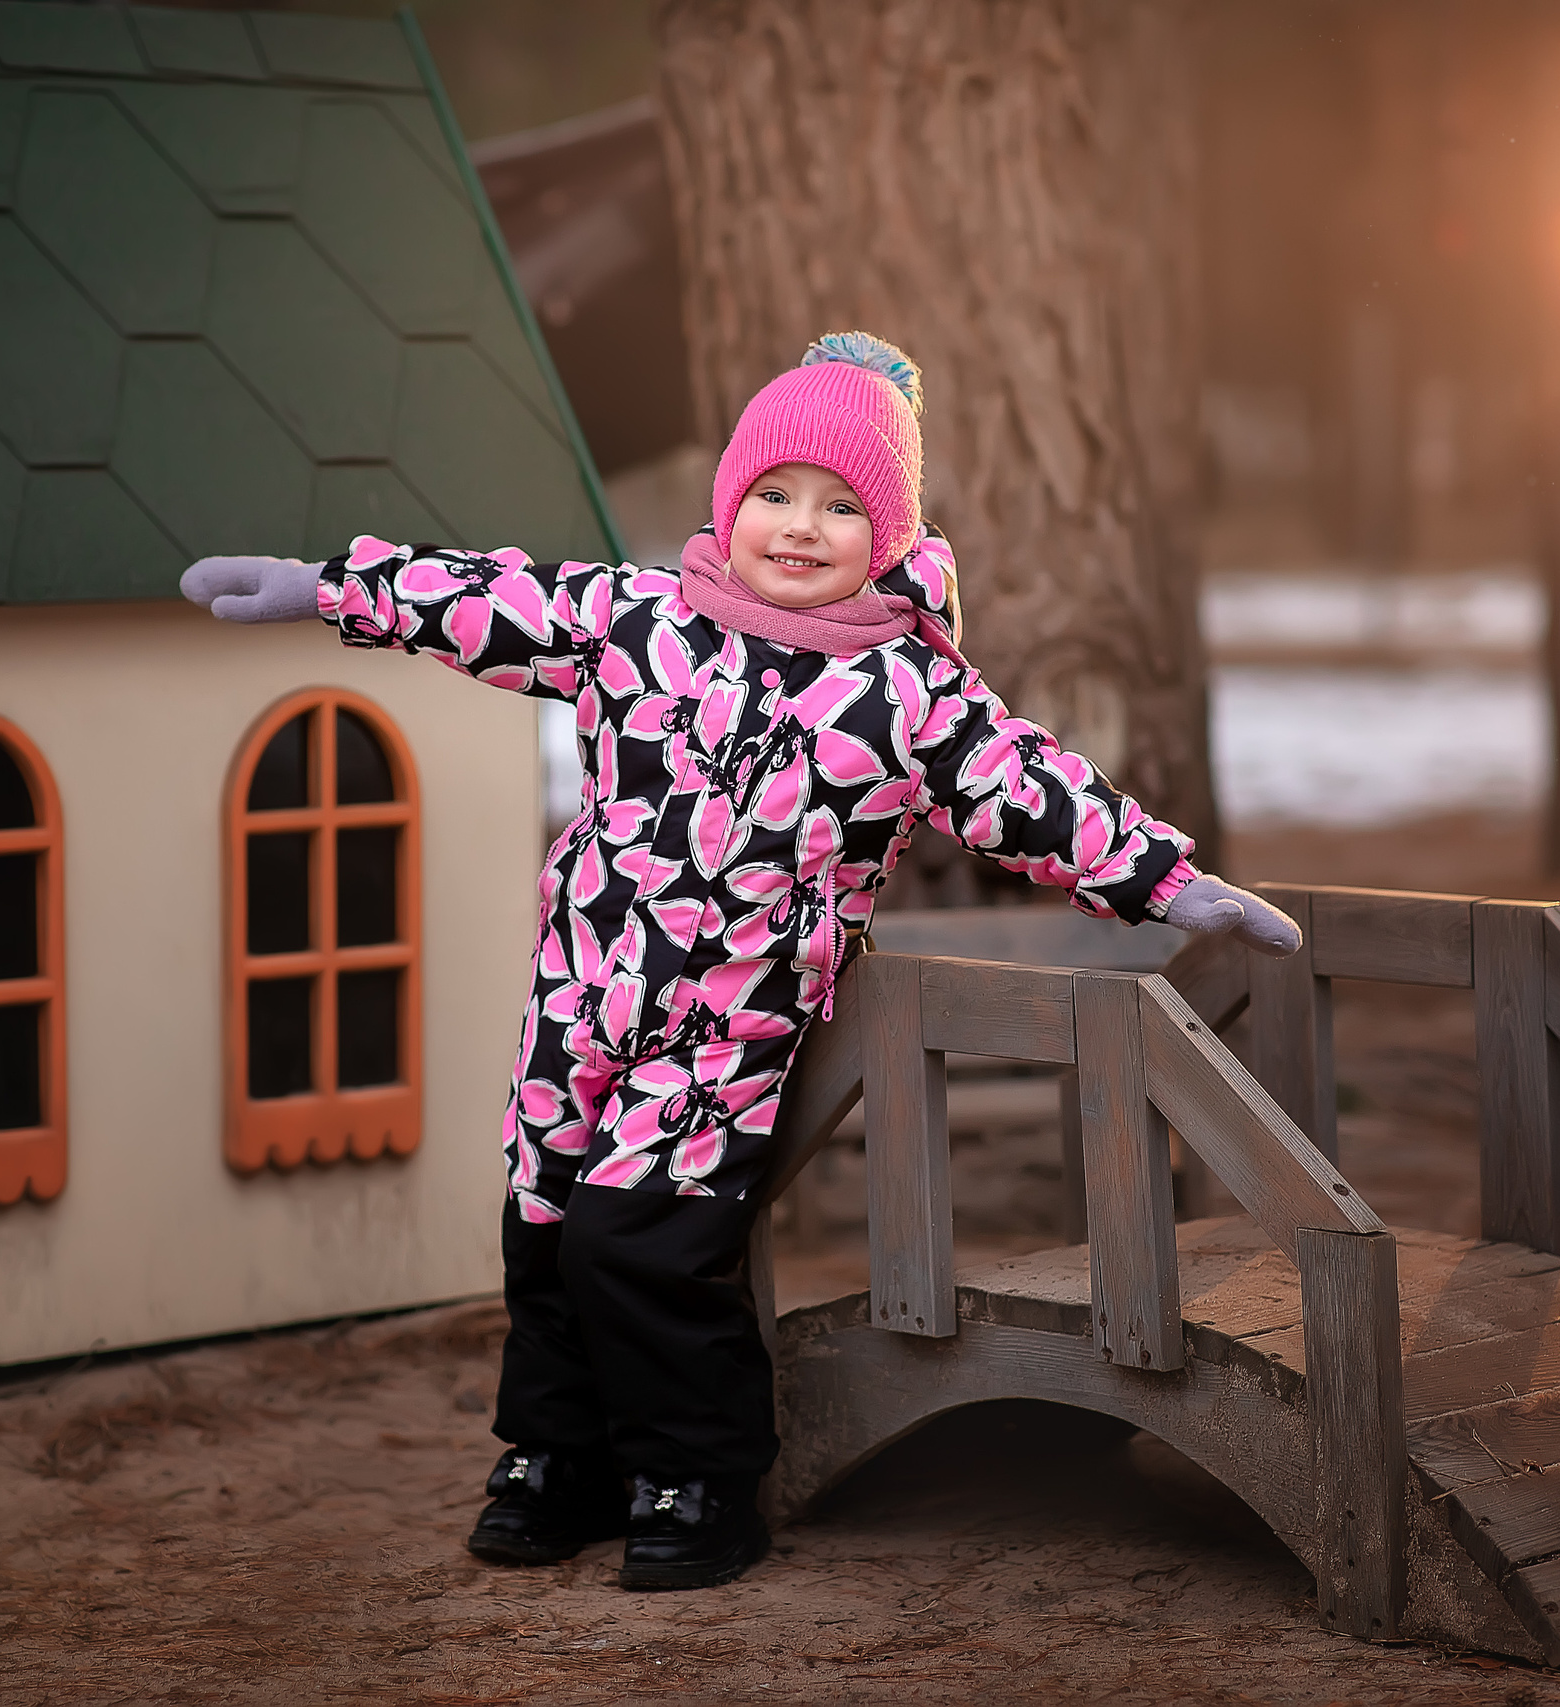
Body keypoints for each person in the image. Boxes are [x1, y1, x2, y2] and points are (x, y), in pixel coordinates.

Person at [181, 333, 1299, 1592]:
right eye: (774, 494)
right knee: (542, 1219)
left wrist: (1162, 878)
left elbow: (1027, 787)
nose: (800, 527)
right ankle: (559, 1455)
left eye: (839, 506)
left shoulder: (906, 692)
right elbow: (493, 601)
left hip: (731, 1028)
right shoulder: (641, 623)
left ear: (886, 537)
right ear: (730, 503)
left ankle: (697, 1479)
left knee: (640, 1239)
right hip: (580, 996)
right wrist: (322, 587)